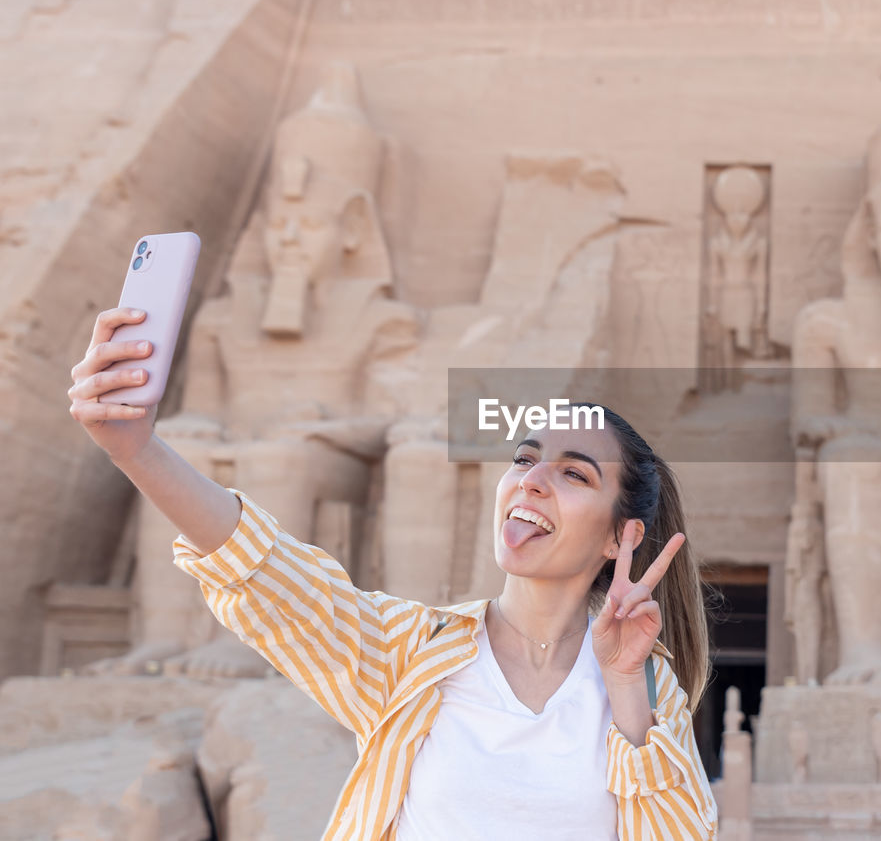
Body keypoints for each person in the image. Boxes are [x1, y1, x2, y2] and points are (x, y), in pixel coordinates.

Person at [68, 307, 719, 840]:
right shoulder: (410, 650)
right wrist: (136, 448)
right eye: (525, 458)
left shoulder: (644, 684)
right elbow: (268, 571)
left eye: (574, 472)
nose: (533, 481)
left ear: (620, 536)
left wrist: (627, 685)